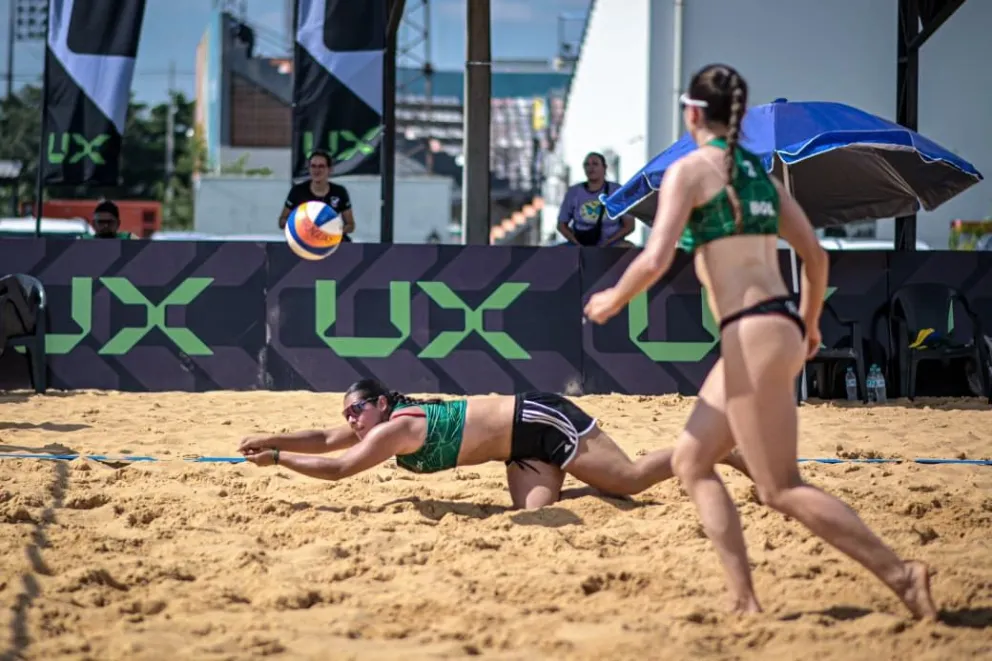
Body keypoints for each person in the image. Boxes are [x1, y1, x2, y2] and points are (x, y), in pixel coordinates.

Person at [583, 63, 936, 620]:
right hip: (778, 326)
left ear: (692, 113)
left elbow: (654, 259)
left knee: (781, 488)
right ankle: (744, 601)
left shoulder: (689, 171)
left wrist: (611, 299)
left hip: (750, 332)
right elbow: (815, 258)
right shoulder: (761, 180)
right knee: (693, 460)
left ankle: (902, 575)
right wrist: (810, 326)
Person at [238, 378, 751, 510]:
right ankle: (582, 474)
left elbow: (340, 468)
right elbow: (327, 440)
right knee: (537, 514)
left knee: (630, 480)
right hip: (518, 450)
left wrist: (278, 459)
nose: (351, 420)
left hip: (539, 420)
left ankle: (719, 450)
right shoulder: (378, 427)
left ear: (383, 404)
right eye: (347, 414)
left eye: (358, 409)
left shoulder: (395, 429)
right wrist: (270, 438)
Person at [557, 152, 636, 248]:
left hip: (612, 244)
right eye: (587, 164)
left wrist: (608, 242)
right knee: (554, 252)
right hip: (580, 244)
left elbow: (629, 225)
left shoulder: (617, 191)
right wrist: (577, 243)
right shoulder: (573, 192)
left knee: (629, 248)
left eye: (595, 164)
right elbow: (561, 225)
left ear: (604, 168)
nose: (591, 168)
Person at [279, 149, 356, 241]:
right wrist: (298, 227)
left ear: (330, 169)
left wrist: (335, 231)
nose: (317, 170)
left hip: (329, 239)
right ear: (309, 169)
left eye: (321, 166)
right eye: (313, 166)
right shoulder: (297, 191)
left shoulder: (339, 192)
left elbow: (350, 225)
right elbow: (282, 221)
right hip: (304, 239)